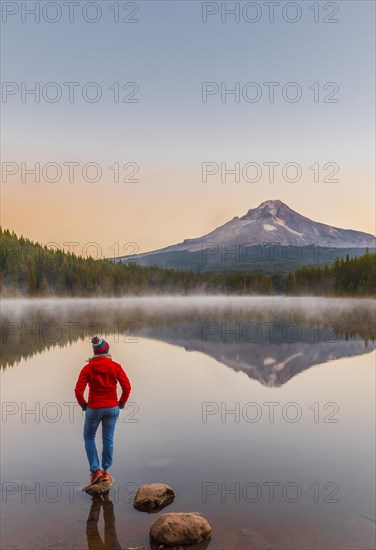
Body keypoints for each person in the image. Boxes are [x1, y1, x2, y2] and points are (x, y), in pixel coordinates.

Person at [75, 336, 131, 485]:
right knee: (108, 439)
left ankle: (95, 471)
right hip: (112, 408)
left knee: (89, 437)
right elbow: (127, 387)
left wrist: (84, 405)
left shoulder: (88, 368)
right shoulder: (115, 366)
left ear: (95, 352)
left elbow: (78, 391)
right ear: (106, 350)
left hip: (94, 408)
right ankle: (106, 472)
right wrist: (121, 403)